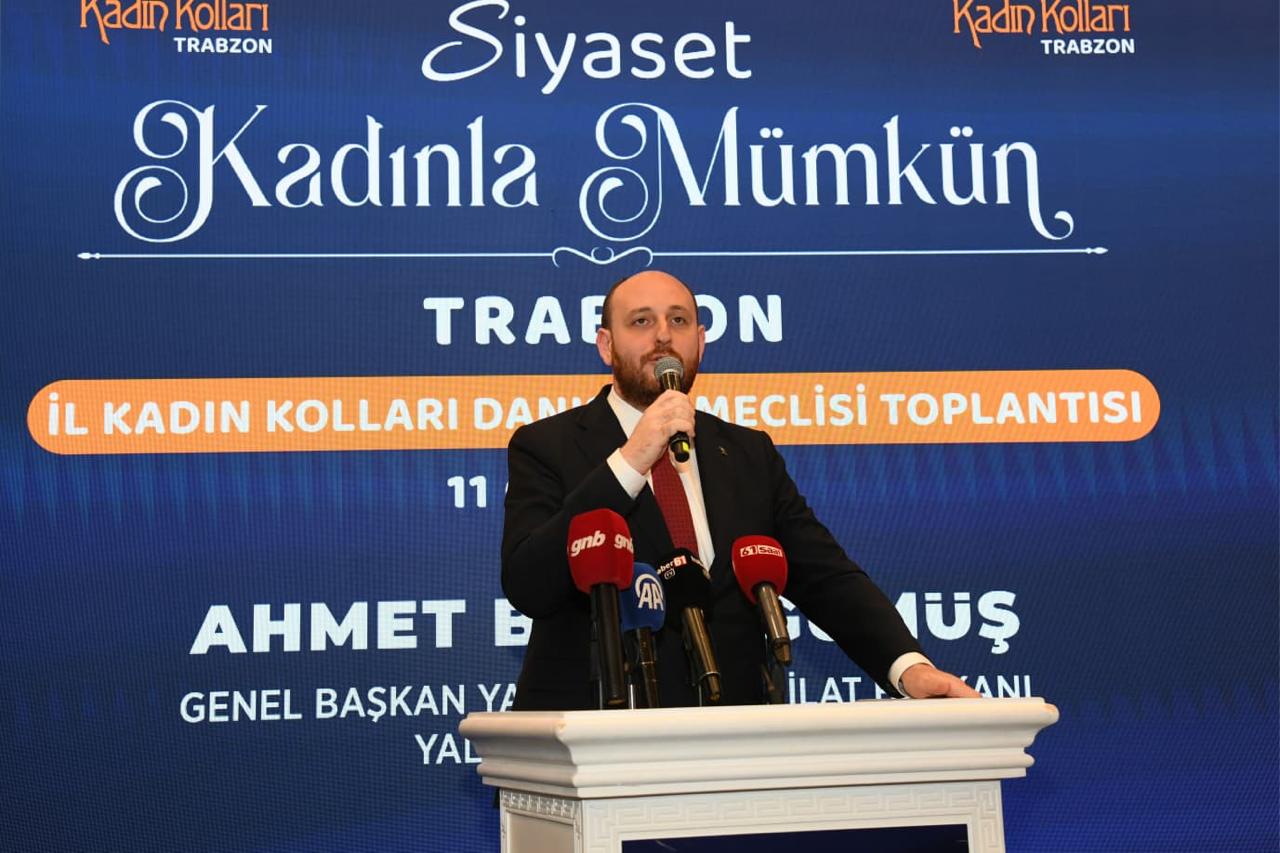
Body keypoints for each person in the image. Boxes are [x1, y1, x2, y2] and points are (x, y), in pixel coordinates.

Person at [501, 270, 979, 710]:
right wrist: (631, 461)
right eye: (641, 321)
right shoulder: (547, 446)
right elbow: (529, 584)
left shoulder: (748, 453)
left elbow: (827, 578)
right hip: (598, 731)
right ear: (606, 346)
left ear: (700, 342)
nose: (663, 335)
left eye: (678, 320)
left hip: (734, 731)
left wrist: (908, 668)